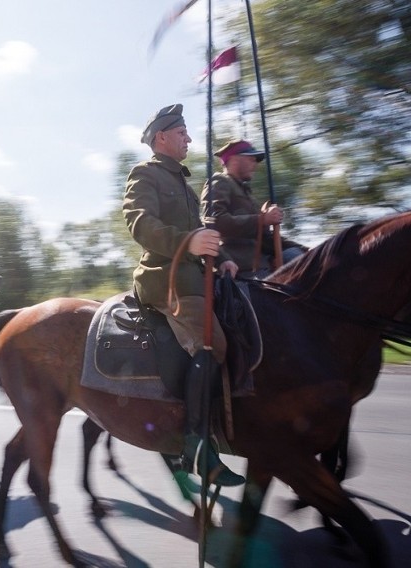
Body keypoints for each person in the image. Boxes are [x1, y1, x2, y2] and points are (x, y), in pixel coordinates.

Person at [122, 104, 244, 487]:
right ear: (161, 137)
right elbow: (140, 223)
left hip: (200, 277)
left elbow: (201, 232)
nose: (189, 139)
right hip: (169, 281)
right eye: (182, 133)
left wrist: (221, 257)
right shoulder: (146, 174)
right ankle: (194, 445)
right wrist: (187, 242)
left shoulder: (185, 185)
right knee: (212, 344)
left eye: (187, 133)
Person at [201, 139, 306, 279]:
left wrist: (306, 250)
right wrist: (262, 219)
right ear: (234, 159)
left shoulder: (247, 193)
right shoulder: (220, 181)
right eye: (251, 159)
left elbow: (265, 237)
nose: (255, 164)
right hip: (239, 268)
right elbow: (216, 222)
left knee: (300, 257)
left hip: (262, 266)